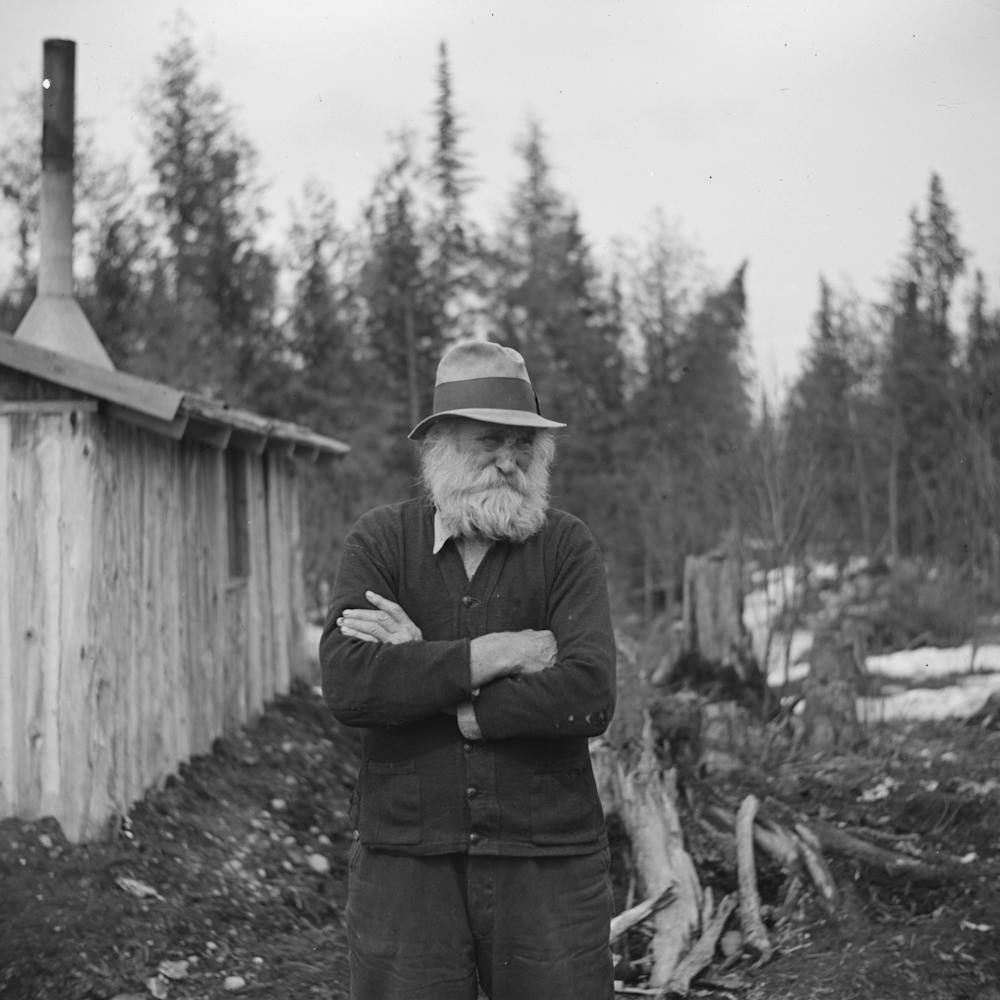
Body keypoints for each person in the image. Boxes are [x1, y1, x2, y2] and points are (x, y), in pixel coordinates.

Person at [320, 339, 617, 1000]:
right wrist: (505, 652)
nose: (509, 461)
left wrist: (432, 678)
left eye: (524, 445)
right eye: (489, 442)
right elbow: (348, 684)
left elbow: (589, 693)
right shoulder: (380, 541)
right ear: (441, 445)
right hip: (406, 864)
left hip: (548, 864)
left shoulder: (567, 546)